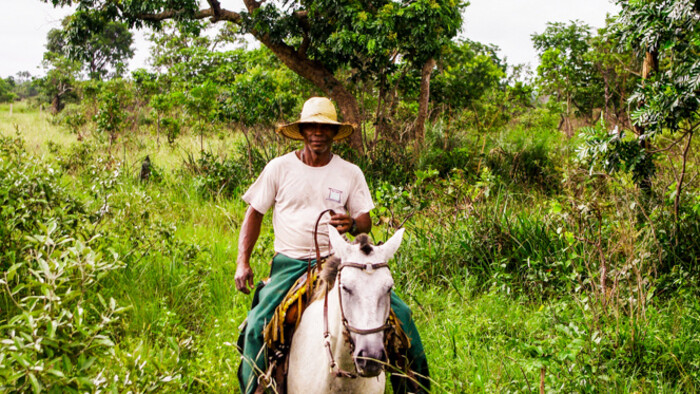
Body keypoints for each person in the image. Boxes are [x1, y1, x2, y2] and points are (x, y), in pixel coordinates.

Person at [235, 97, 429, 393]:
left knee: (402, 318)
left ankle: (414, 388)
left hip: (340, 261)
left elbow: (365, 221)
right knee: (256, 328)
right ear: (302, 131)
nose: (318, 132)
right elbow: (254, 214)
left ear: (333, 133)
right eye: (312, 126)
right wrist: (243, 262)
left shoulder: (350, 172)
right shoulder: (279, 168)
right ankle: (256, 388)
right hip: (290, 264)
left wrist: (351, 224)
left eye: (324, 127)